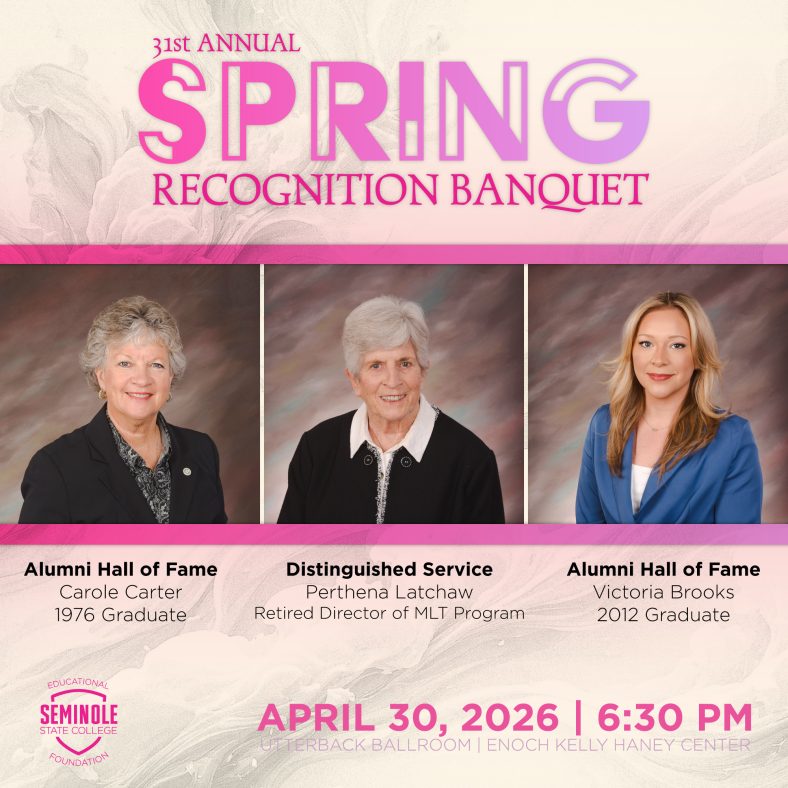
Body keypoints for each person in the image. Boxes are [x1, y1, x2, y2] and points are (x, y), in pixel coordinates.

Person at [278, 296, 505, 524]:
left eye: (405, 363)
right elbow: (286, 546)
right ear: (355, 380)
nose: (393, 381)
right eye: (376, 365)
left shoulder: (473, 460)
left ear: (422, 371)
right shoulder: (316, 449)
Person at [19, 296, 227, 523]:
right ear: (101, 376)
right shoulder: (55, 467)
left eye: (156, 365)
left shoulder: (201, 451)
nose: (142, 379)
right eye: (125, 363)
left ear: (170, 376)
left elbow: (220, 544)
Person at [576, 291, 762, 524]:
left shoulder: (732, 437)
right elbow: (588, 530)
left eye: (676, 345)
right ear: (631, 352)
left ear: (698, 356)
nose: (659, 359)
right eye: (646, 343)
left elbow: (737, 542)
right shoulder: (603, 423)